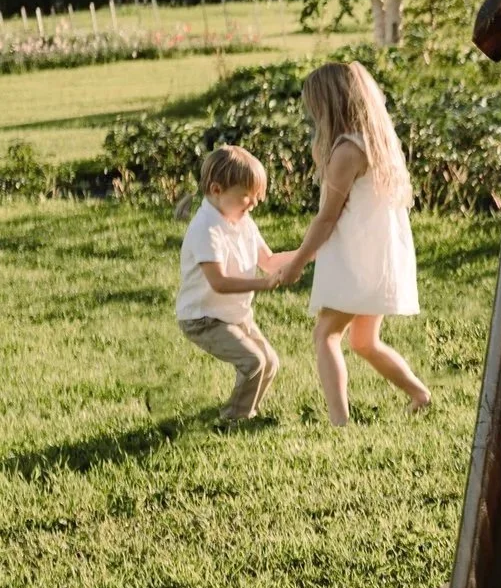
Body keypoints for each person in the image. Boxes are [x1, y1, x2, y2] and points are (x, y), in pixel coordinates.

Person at [286, 60, 430, 425]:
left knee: (325, 334)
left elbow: (328, 217)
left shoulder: (346, 152)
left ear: (329, 105)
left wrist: (299, 261)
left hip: (357, 258)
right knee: (363, 341)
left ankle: (339, 422)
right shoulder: (374, 144)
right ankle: (419, 394)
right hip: (376, 255)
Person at [174, 144, 293, 426]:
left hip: (233, 314)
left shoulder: (242, 221)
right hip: (203, 318)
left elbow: (270, 260)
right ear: (217, 190)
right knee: (253, 362)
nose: (252, 204)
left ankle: (244, 410)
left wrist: (311, 252)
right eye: (246, 197)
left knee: (269, 362)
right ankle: (234, 419)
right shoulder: (206, 228)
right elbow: (219, 282)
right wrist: (264, 284)